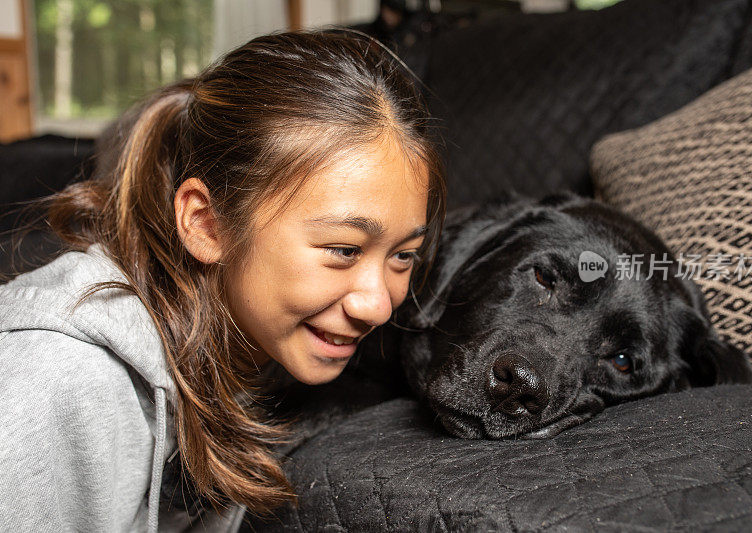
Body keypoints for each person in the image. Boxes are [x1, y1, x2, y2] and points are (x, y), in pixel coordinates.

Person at [0, 30, 445, 532]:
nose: (378, 305)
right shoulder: (55, 377)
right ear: (207, 225)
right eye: (343, 250)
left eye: (404, 255)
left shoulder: (257, 338)